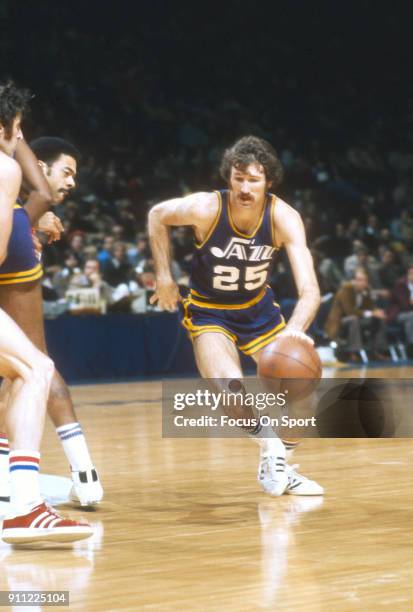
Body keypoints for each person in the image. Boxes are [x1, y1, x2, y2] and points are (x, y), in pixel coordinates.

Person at [148, 135, 323, 496]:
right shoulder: (206, 207)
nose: (244, 187)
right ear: (228, 177)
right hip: (210, 312)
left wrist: (293, 333)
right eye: (238, 178)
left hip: (258, 312)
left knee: (305, 393)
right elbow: (157, 215)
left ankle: (282, 462)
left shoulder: (284, 217)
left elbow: (310, 291)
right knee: (228, 386)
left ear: (269, 182)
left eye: (253, 180)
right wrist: (163, 276)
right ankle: (269, 446)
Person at [0, 80, 92, 542]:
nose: (20, 142)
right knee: (36, 368)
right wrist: (24, 230)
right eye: (17, 131)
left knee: (22, 370)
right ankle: (25, 508)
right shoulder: (4, 169)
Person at [325, 267, 388, 360]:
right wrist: (371, 313)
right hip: (340, 321)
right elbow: (349, 311)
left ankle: (379, 350)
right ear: (353, 281)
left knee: (379, 318)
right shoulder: (346, 289)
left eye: (365, 280)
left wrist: (377, 311)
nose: (362, 283)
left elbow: (371, 307)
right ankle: (354, 352)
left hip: (359, 318)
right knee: (353, 319)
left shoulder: (367, 290)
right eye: (359, 280)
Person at [387, 264, 413, 350]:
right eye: (411, 273)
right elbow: (404, 305)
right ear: (407, 274)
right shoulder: (400, 284)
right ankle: (411, 345)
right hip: (398, 314)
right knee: (411, 316)